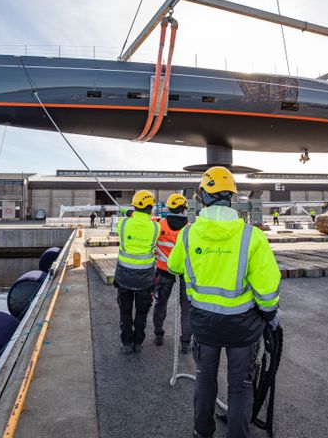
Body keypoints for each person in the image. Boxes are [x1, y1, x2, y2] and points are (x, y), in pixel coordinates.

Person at [168, 166, 281, 438]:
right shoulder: (251, 236)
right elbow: (267, 290)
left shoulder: (187, 234)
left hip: (205, 326)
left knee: (205, 379)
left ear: (202, 197)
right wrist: (270, 316)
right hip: (242, 327)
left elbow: (173, 266)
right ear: (231, 197)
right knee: (241, 385)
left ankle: (202, 431)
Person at [115, 190, 160, 355]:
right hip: (145, 279)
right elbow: (144, 220)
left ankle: (126, 343)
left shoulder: (124, 224)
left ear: (134, 205)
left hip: (124, 277)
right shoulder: (156, 227)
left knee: (125, 312)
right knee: (142, 312)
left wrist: (129, 213)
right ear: (151, 208)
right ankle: (138, 343)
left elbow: (129, 220)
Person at [152, 193, 191, 353]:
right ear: (184, 209)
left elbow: (140, 218)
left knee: (161, 303)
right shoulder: (190, 229)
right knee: (186, 308)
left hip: (163, 270)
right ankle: (186, 342)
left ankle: (159, 334)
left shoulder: (158, 224)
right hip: (185, 273)